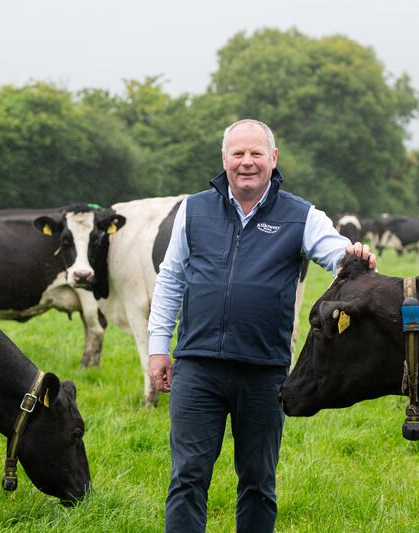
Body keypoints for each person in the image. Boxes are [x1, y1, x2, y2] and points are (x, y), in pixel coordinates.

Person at [148, 119, 376, 533]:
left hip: (264, 370)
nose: (246, 162)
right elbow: (171, 278)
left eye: (256, 154)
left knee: (258, 482)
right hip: (197, 367)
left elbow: (337, 256)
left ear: (273, 159)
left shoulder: (300, 214)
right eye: (238, 154)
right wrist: (158, 347)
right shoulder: (193, 210)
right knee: (187, 478)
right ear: (224, 160)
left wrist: (354, 255)